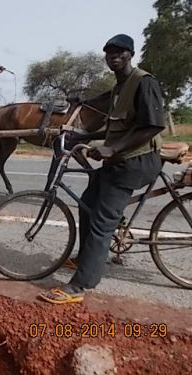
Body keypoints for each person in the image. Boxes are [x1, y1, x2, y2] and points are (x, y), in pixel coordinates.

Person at [39, 34, 166, 304]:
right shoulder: (119, 88)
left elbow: (153, 125)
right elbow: (115, 126)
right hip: (120, 160)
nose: (114, 57)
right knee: (87, 203)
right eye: (109, 53)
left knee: (101, 221)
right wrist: (81, 137)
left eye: (119, 52)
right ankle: (85, 258)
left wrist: (112, 149)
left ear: (130, 54)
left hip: (137, 161)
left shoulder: (143, 82)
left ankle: (80, 286)